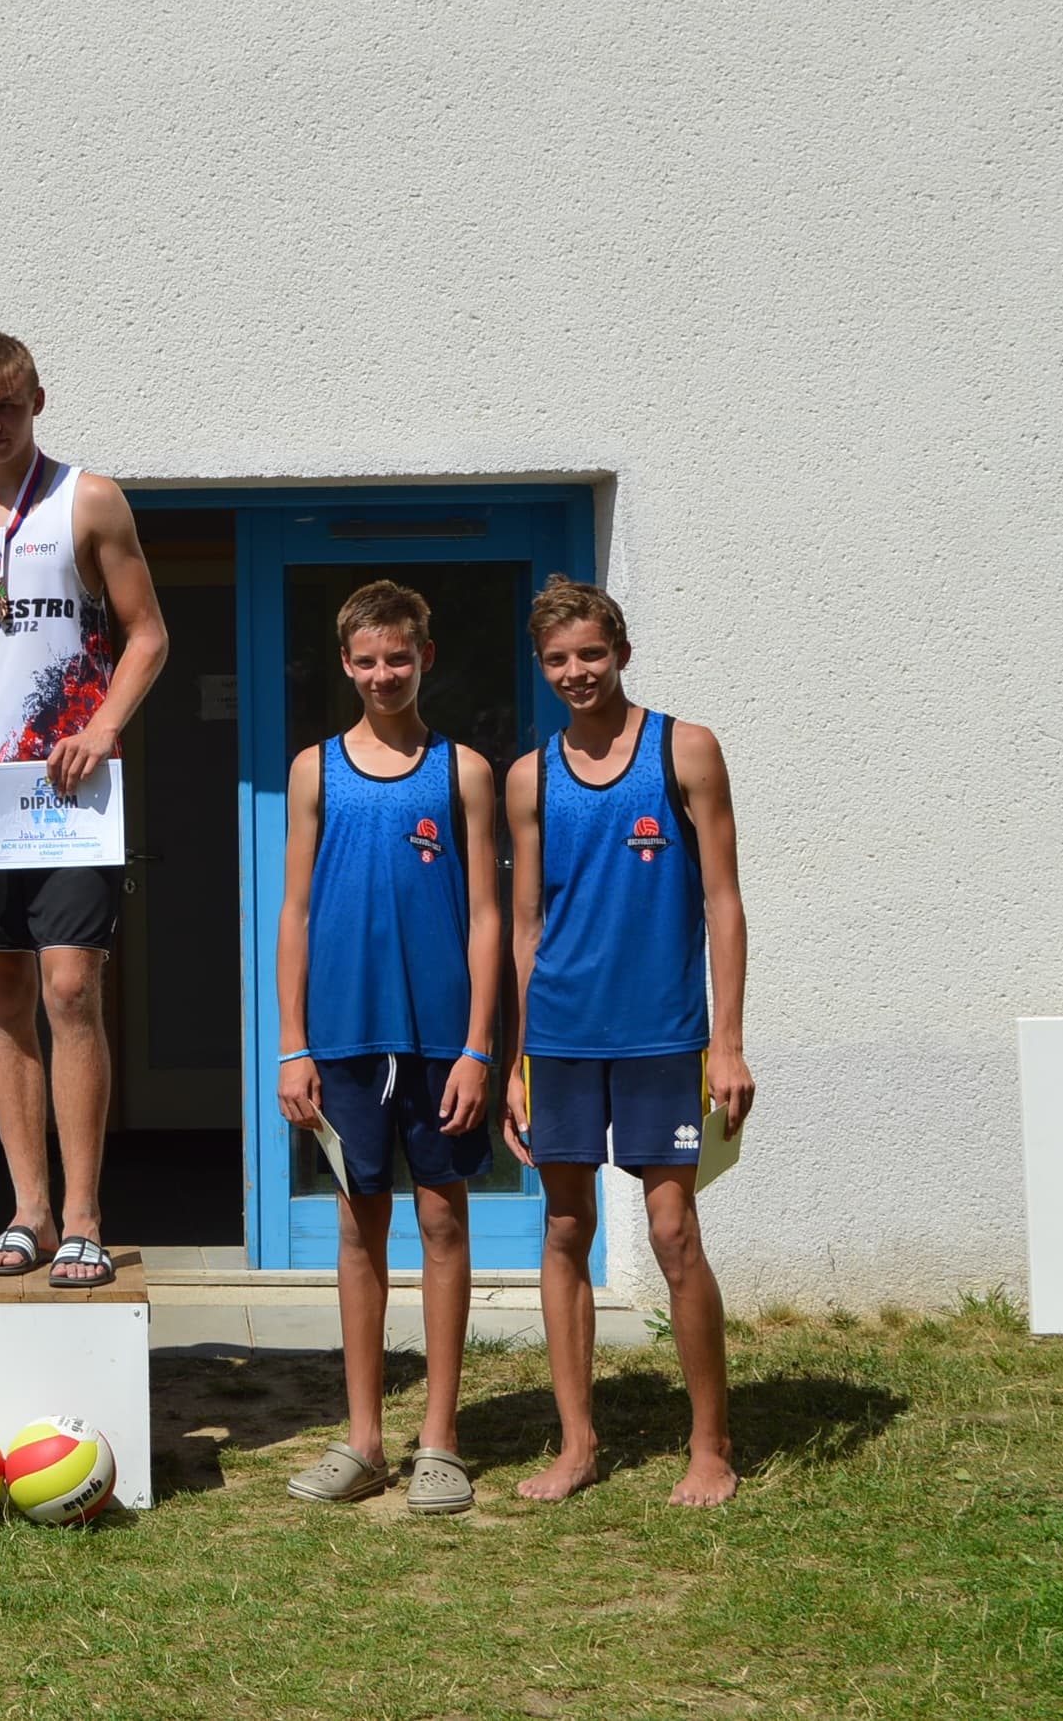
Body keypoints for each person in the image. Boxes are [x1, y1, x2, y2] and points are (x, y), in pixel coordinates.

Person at [0, 334, 166, 1289]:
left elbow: (148, 635)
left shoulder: (86, 499)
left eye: (7, 408)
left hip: (68, 791)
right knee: (1, 999)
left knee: (69, 989)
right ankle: (28, 1210)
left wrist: (98, 729)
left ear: (37, 400)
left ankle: (87, 1214)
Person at [503, 576, 753, 1507]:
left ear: (622, 651)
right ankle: (577, 1445)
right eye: (558, 659)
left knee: (672, 1230)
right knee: (565, 1227)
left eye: (590, 654)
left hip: (663, 1033)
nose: (576, 672)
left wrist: (724, 1040)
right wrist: (517, 1062)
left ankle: (710, 1446)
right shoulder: (530, 776)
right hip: (562, 1035)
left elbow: (723, 901)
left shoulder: (684, 749)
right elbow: (526, 924)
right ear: (542, 667)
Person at [273, 581, 502, 1513]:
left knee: (443, 1222)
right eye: (365, 661)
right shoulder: (313, 770)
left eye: (396, 659)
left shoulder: (465, 773)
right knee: (356, 1226)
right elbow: (292, 910)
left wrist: (479, 1047)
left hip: (441, 1039)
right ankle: (363, 1437)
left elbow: (488, 917)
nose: (381, 675)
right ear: (344, 664)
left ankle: (439, 1440)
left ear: (425, 659)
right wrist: (293, 1044)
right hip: (343, 1039)